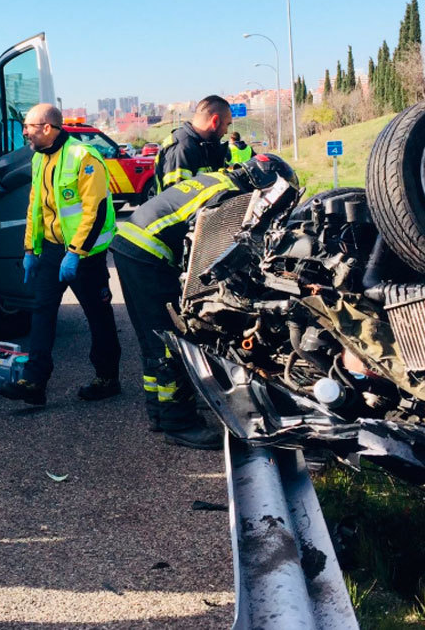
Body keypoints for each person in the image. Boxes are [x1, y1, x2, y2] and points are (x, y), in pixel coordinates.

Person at [111, 154, 298, 449]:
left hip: (130, 246)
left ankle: (160, 412)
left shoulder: (217, 179)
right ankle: (179, 423)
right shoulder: (232, 197)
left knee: (152, 337)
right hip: (148, 255)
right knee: (172, 338)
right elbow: (207, 253)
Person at [0, 104, 121, 407]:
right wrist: (30, 249)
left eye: (29, 126)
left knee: (99, 316)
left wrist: (76, 253)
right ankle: (34, 382)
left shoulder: (84, 158)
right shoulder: (40, 158)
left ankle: (107, 379)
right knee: (41, 313)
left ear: (47, 128)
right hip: (52, 252)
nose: (24, 131)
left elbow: (96, 210)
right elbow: (35, 208)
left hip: (85, 255)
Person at [153, 95, 233, 192]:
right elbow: (177, 201)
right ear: (215, 121)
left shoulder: (202, 146)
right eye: (227, 124)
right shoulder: (181, 149)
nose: (226, 132)